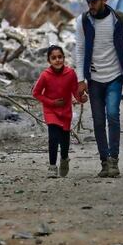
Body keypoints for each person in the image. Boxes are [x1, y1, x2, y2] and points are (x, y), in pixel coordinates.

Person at [74, 0, 123, 178]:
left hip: (114, 76)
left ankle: (114, 160)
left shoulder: (119, 20)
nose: (91, 6)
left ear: (105, 0)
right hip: (94, 78)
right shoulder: (83, 21)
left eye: (94, 1)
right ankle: (104, 162)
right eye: (88, 2)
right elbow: (79, 51)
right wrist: (80, 80)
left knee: (112, 115)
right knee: (97, 121)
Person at [32, 45, 85, 177]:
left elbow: (74, 91)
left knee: (65, 140)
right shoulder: (45, 75)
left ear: (64, 58)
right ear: (49, 61)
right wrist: (52, 102)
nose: (57, 60)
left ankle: (64, 159)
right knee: (53, 138)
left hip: (66, 112)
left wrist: (81, 98)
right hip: (51, 111)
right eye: (53, 58)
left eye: (60, 57)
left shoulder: (70, 73)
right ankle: (52, 166)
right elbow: (36, 93)